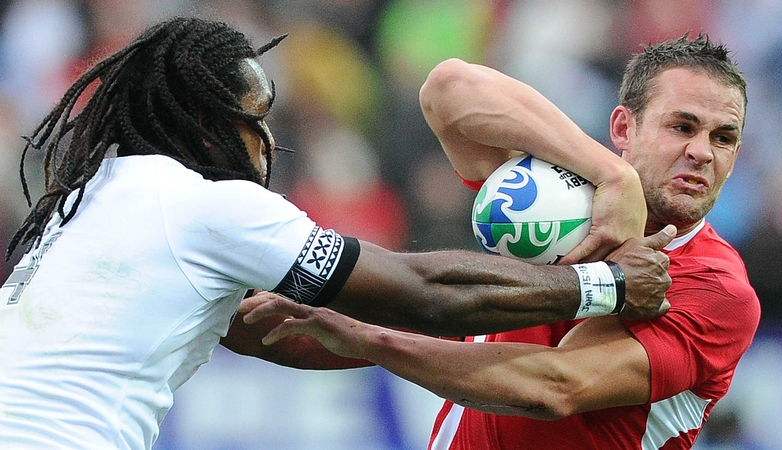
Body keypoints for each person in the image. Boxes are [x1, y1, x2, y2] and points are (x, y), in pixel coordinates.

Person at [0, 17, 674, 450]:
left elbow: (273, 335)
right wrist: (601, 284)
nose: (268, 141)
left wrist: (456, 338)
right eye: (255, 119)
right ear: (203, 121)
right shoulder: (204, 205)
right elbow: (422, 289)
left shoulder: (91, 199)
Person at [239, 34, 761, 449]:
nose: (702, 152)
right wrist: (613, 178)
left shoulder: (715, 287)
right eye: (682, 126)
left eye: (724, 137)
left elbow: (553, 386)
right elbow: (446, 89)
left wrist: (364, 337)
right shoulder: (564, 193)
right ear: (623, 127)